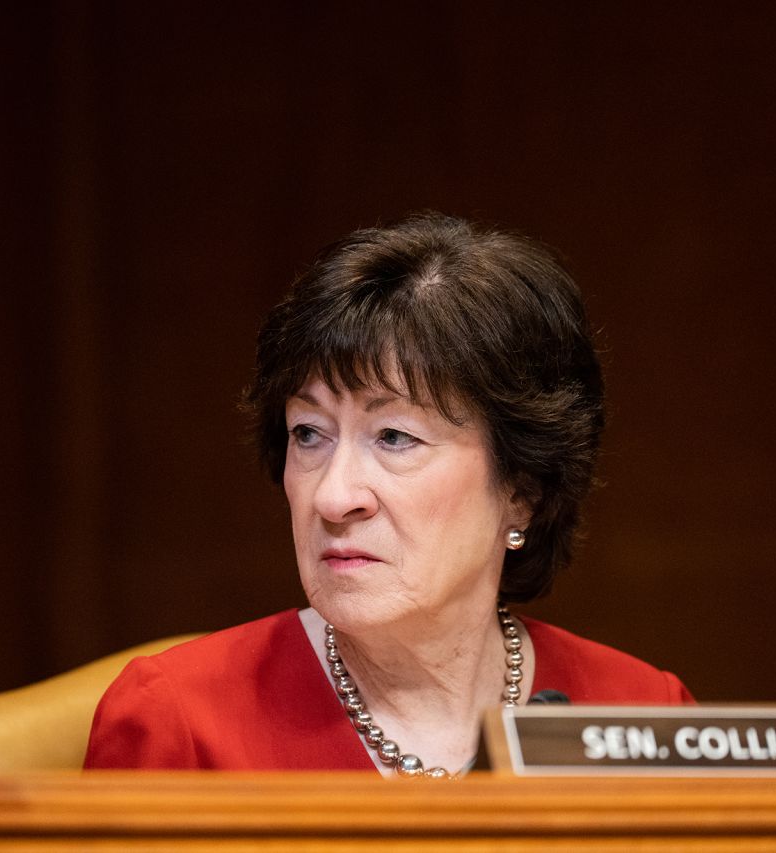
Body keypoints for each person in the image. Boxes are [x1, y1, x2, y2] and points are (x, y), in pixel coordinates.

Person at [85, 213, 692, 777]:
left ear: (523, 489)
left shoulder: (643, 713)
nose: (334, 495)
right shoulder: (178, 723)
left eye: (395, 436)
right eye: (309, 434)